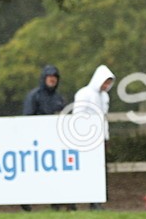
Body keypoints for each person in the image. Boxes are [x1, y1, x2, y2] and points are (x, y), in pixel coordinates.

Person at [20, 64, 65, 211]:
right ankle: (26, 201)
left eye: (54, 78)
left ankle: (55, 202)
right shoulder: (34, 96)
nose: (52, 80)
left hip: (53, 142)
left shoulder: (59, 98)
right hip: (36, 142)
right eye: (50, 77)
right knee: (32, 173)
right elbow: (28, 118)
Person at [72, 64, 115, 211]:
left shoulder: (105, 97)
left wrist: (105, 137)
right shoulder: (84, 94)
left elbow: (104, 119)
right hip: (86, 140)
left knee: (99, 171)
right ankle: (74, 202)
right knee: (83, 171)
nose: (107, 85)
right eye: (105, 82)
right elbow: (77, 115)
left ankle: (95, 202)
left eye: (109, 82)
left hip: (100, 139)